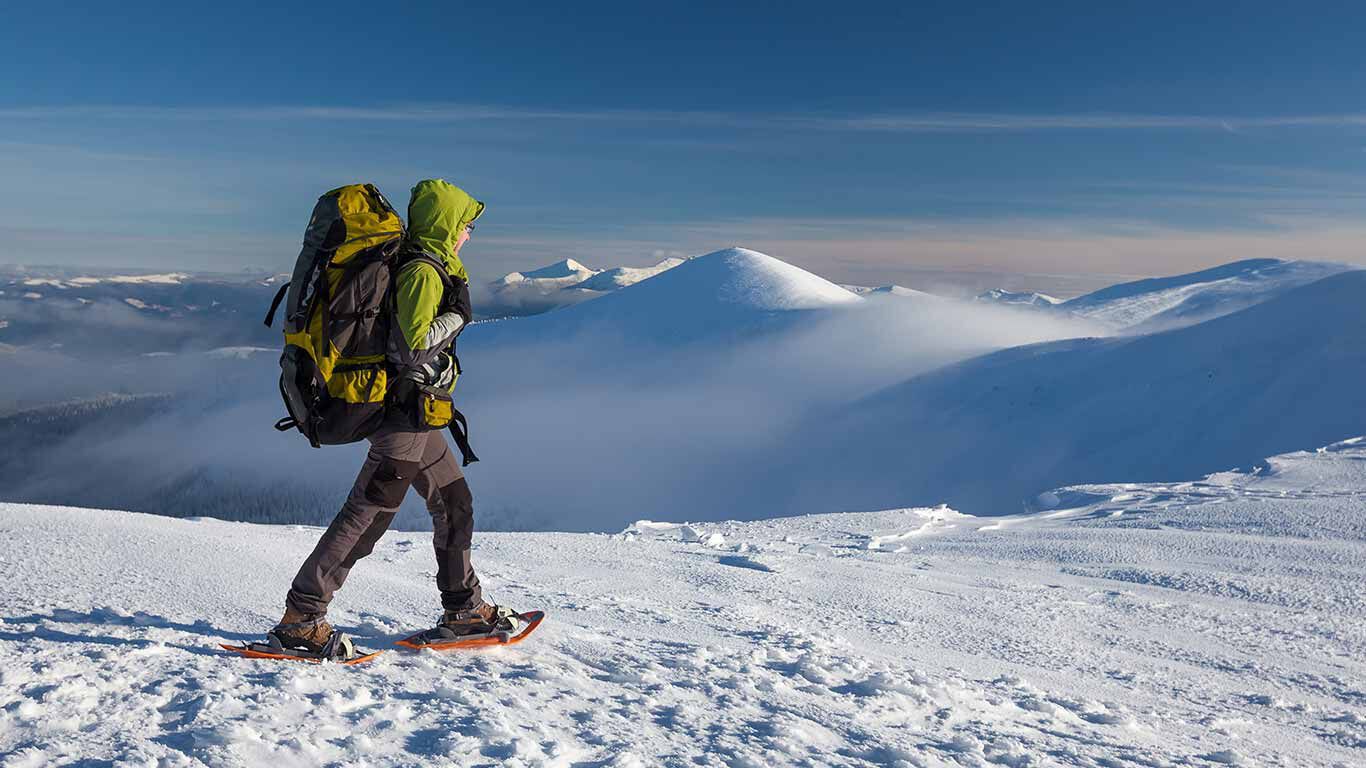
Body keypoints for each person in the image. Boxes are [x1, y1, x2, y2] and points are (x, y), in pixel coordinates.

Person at [270, 179, 513, 653]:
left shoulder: (432, 264)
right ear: (446, 224)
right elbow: (411, 346)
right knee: (368, 514)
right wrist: (458, 317)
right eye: (465, 225)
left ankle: (463, 607)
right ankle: (301, 617)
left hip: (419, 414)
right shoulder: (422, 271)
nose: (468, 235)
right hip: (402, 414)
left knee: (454, 502)